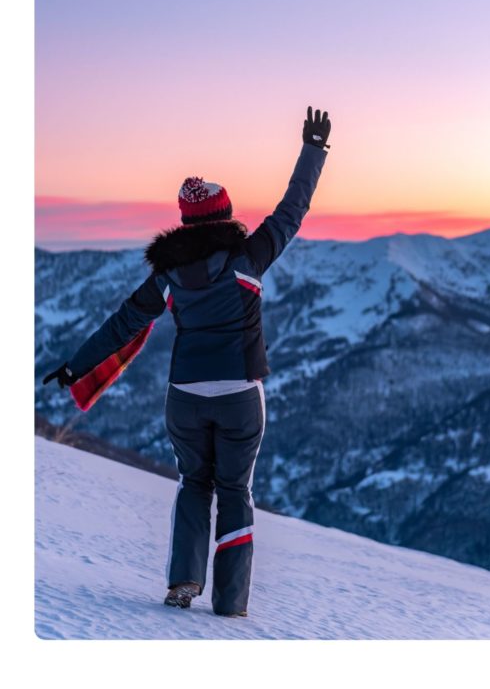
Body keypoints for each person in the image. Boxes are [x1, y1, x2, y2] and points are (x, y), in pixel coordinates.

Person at [43, 106, 332, 616]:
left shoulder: (167, 276)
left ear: (184, 222)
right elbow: (292, 210)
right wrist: (313, 149)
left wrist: (76, 366)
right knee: (235, 490)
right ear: (224, 215)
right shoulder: (249, 257)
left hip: (185, 399)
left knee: (195, 484)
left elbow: (122, 323)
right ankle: (230, 601)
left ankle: (183, 582)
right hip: (241, 395)